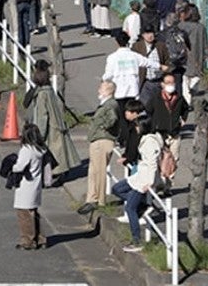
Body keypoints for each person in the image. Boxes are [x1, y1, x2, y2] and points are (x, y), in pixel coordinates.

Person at [111, 115, 162, 253]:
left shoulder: (150, 142)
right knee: (116, 189)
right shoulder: (151, 138)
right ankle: (143, 205)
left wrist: (150, 183)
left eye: (138, 125)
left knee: (130, 209)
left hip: (144, 179)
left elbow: (152, 164)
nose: (136, 127)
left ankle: (136, 240)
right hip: (139, 175)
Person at [22, 62, 79, 183]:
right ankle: (61, 172)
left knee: (53, 156)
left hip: (51, 130)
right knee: (60, 153)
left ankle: (55, 175)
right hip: (57, 126)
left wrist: (39, 136)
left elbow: (42, 116)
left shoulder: (42, 94)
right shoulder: (49, 91)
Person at [79, 81, 119, 214]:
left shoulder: (110, 104)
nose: (98, 90)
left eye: (101, 88)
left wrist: (103, 127)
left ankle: (99, 200)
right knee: (93, 171)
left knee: (99, 171)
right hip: (98, 140)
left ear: (108, 90)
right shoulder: (106, 104)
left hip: (102, 140)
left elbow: (112, 119)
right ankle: (91, 198)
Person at [146, 72, 189, 190]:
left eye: (172, 83)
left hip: (174, 133)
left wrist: (183, 119)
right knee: (159, 159)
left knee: (174, 159)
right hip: (160, 133)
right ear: (162, 84)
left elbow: (185, 109)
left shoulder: (179, 98)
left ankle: (168, 186)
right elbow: (148, 111)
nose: (171, 85)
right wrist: (154, 124)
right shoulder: (156, 98)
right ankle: (159, 183)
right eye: (168, 83)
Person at [103, 30, 168, 104]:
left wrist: (104, 80)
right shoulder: (134, 56)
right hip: (133, 90)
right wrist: (160, 66)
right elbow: (147, 62)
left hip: (119, 92)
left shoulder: (112, 57)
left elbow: (108, 74)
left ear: (117, 42)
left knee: (121, 113)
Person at [11, 123, 47, 250]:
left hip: (25, 185)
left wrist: (12, 166)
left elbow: (19, 167)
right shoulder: (40, 149)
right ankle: (40, 238)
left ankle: (28, 241)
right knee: (34, 212)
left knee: (24, 214)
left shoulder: (27, 150)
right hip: (35, 184)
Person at [177, 4, 208, 104]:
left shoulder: (181, 26)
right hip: (197, 63)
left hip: (183, 62)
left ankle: (186, 111)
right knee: (194, 89)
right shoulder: (201, 27)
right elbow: (206, 46)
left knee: (184, 89)